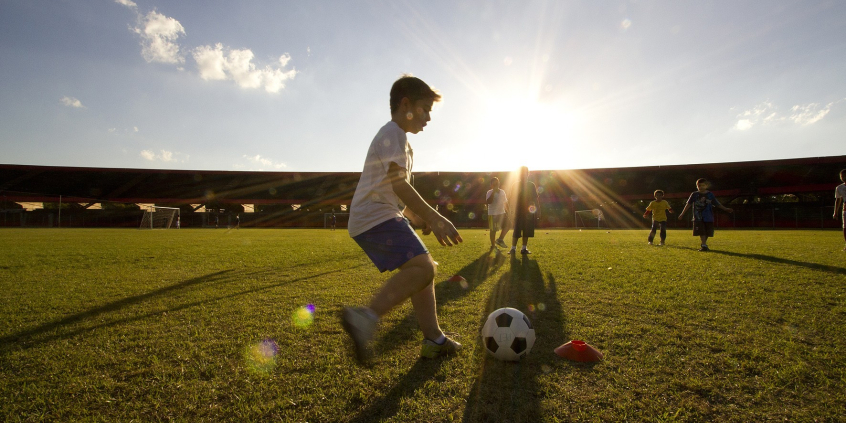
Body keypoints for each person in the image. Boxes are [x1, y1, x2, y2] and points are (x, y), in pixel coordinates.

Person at [342, 75, 463, 363]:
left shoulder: (404, 143)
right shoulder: (393, 133)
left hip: (379, 215)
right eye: (425, 109)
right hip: (373, 218)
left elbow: (393, 194)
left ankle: (434, 339)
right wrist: (433, 218)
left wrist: (415, 218)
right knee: (423, 268)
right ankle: (366, 318)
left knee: (426, 267)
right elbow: (399, 185)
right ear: (405, 104)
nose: (429, 118)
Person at [677, 178, 733, 251]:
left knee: (707, 232)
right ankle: (704, 245)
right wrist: (682, 214)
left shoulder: (710, 194)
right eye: (699, 185)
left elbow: (716, 203)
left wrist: (725, 209)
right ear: (697, 186)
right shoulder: (694, 194)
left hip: (708, 216)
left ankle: (704, 244)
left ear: (706, 186)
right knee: (701, 231)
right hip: (698, 217)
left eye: (703, 185)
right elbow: (688, 204)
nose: (701, 187)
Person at [508, 166, 540, 255]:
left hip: (529, 212)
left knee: (527, 230)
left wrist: (538, 209)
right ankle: (513, 249)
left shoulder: (531, 185)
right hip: (518, 211)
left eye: (525, 173)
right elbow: (512, 199)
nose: (524, 175)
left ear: (528, 174)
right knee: (516, 230)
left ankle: (524, 248)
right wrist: (511, 210)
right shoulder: (515, 185)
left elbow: (535, 198)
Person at [485, 177, 509, 249]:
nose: (496, 185)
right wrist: (493, 192)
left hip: (502, 213)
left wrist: (508, 211)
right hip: (492, 214)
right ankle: (493, 245)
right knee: (493, 230)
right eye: (494, 184)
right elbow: (489, 202)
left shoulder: (502, 192)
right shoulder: (489, 192)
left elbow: (505, 202)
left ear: (499, 183)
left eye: (497, 183)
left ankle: (500, 239)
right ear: (491, 185)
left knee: (509, 225)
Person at [834, 169, 846, 251]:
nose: (843, 177)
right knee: (845, 227)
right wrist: (835, 212)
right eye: (841, 176)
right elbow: (838, 200)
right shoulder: (839, 188)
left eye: (844, 175)